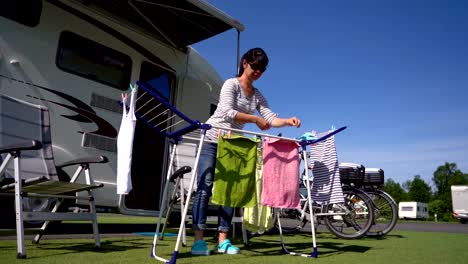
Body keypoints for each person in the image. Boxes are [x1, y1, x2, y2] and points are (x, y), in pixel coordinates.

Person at [191, 47, 301, 256]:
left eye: (263, 69)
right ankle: (199, 240)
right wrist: (254, 119)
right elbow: (225, 111)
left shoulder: (257, 95)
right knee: (204, 188)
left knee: (230, 191)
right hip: (212, 140)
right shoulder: (231, 84)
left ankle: (222, 240)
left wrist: (286, 121)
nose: (258, 71)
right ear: (245, 63)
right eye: (255, 66)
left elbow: (270, 118)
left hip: (233, 146)